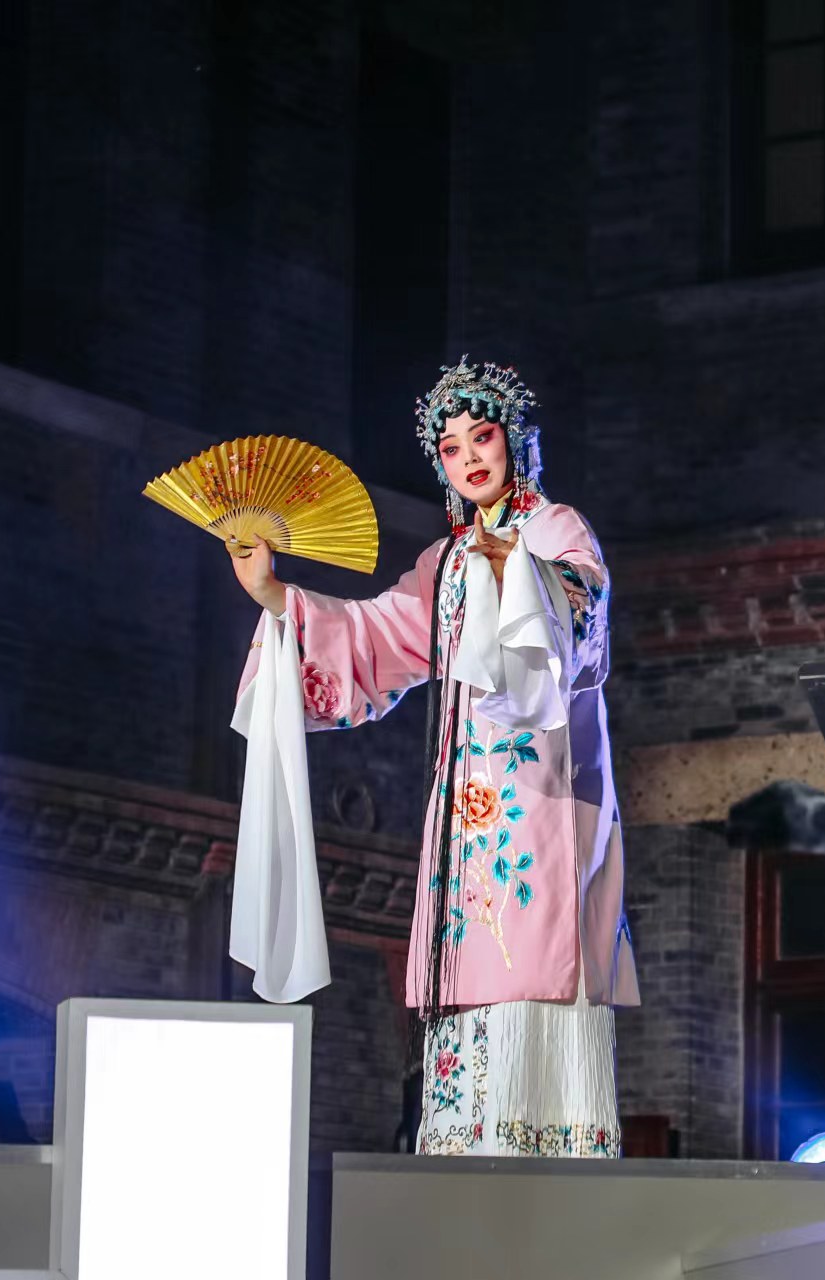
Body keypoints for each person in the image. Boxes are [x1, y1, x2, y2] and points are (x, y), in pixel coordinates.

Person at [226, 358, 637, 1157]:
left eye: (482, 437)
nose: (469, 458)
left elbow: (577, 622)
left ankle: (547, 1151)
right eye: (450, 448)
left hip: (544, 803)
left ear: (515, 441)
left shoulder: (556, 530)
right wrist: (276, 597)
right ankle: (463, 1151)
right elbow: (374, 635)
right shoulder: (445, 563)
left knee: (535, 962)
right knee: (469, 969)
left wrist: (513, 567)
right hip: (463, 820)